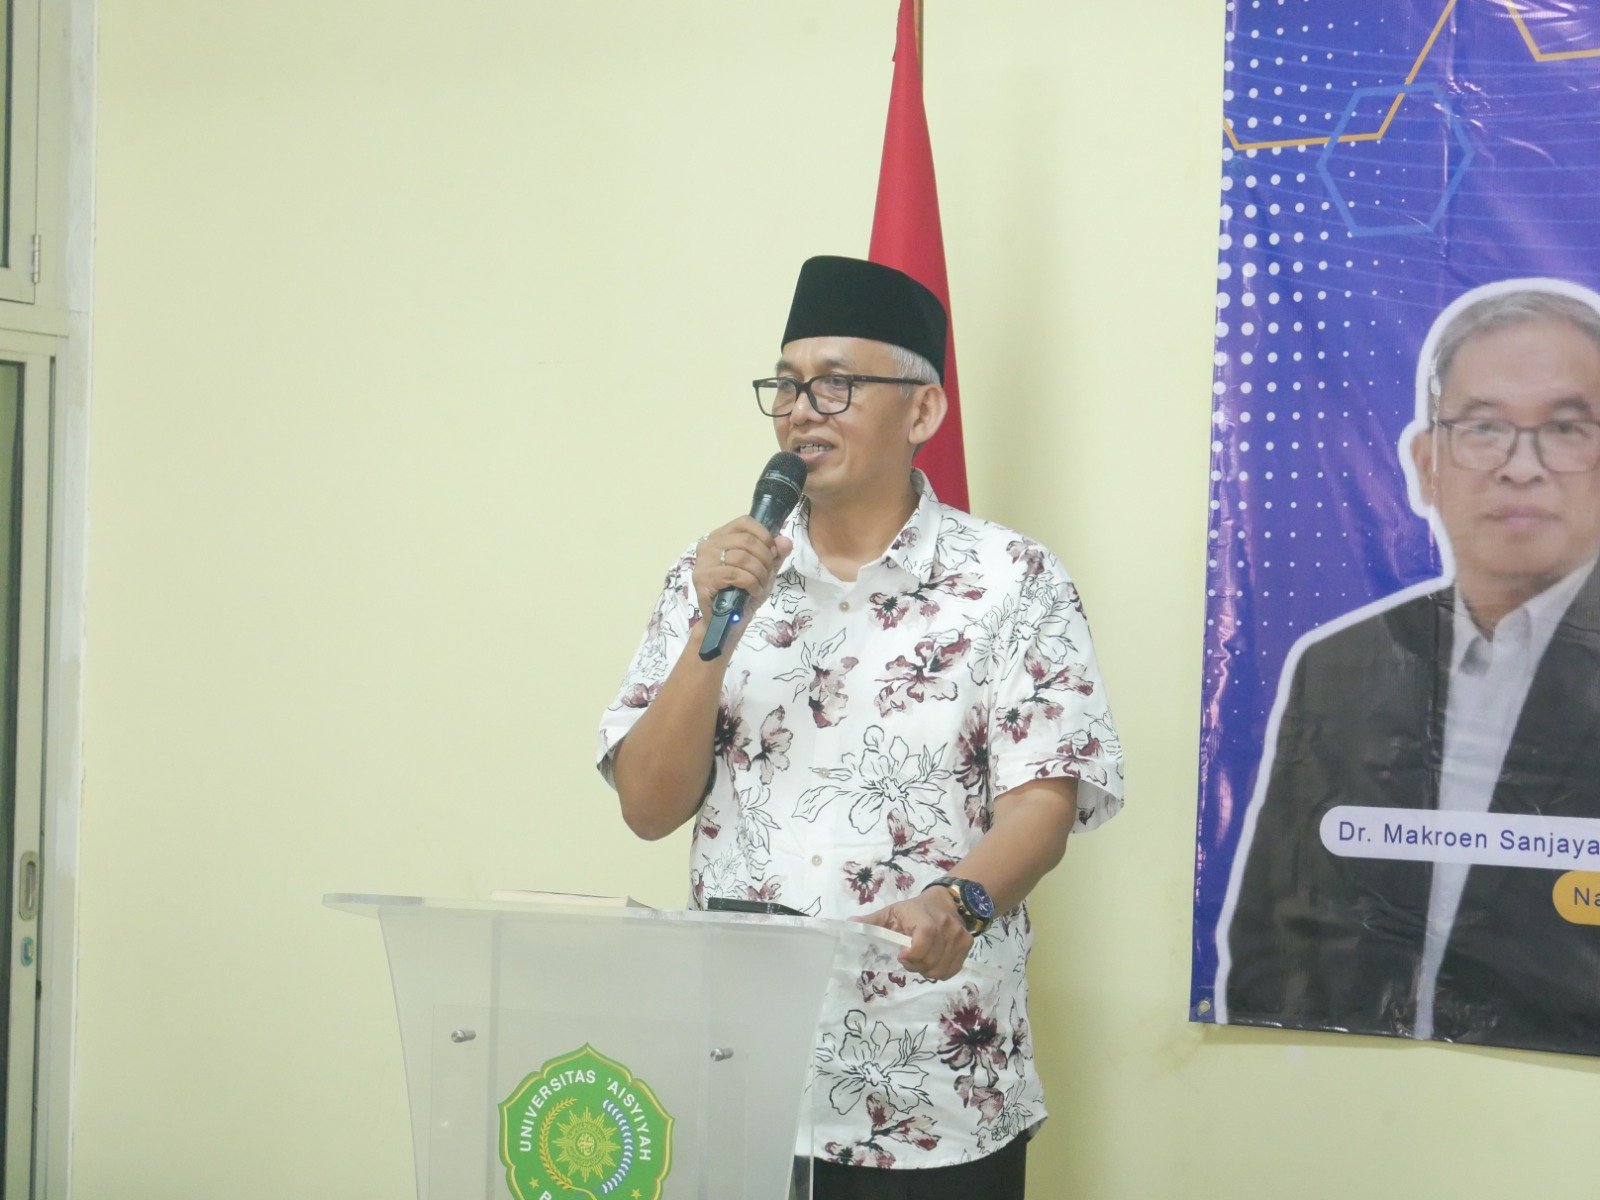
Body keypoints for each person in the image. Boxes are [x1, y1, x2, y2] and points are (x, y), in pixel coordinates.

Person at [597, 256, 1123, 1197]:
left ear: (922, 412)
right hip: (741, 1079)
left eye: (836, 385)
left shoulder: (1012, 581)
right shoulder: (711, 575)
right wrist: (718, 629)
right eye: (787, 386)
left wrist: (959, 903)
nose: (802, 412)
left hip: (929, 1087)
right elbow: (647, 806)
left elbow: (1042, 804)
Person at [1219, 278, 1600, 1055]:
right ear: (1427, 464)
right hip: (1352, 1087)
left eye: (1565, 428)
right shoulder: (1338, 668)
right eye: (1483, 428)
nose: (1521, 467)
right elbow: (1270, 938)